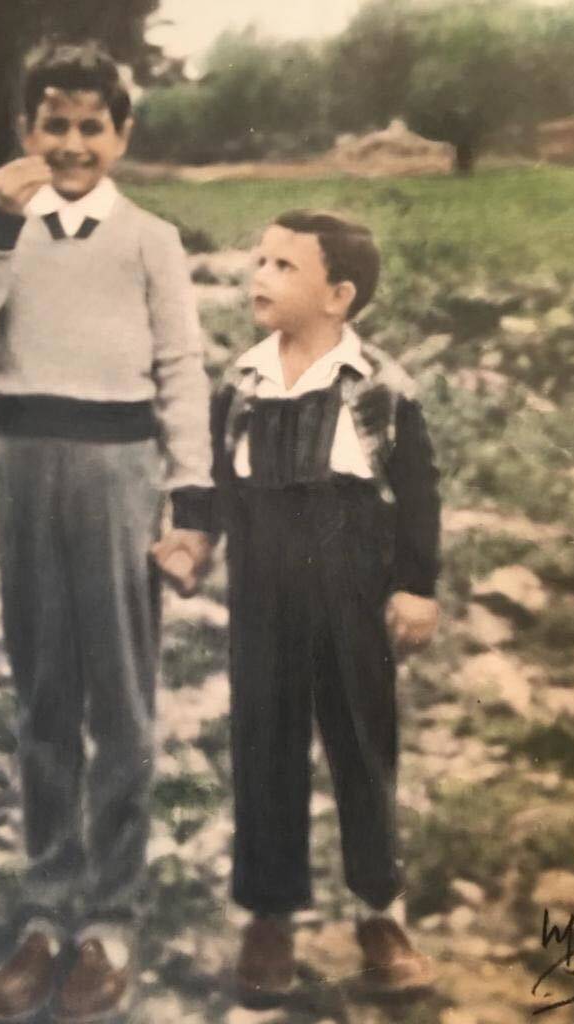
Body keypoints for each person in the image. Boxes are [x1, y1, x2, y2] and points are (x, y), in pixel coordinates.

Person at [0, 41, 213, 1024]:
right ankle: (47, 913)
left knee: (124, 701)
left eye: (91, 126)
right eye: (53, 124)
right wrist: (0, 230)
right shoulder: (4, 231)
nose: (71, 143)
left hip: (120, 472)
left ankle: (113, 922)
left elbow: (182, 367)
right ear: (26, 132)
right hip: (24, 464)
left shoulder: (149, 239)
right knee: (43, 691)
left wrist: (195, 499)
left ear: (122, 135)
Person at [163, 209, 441, 1003]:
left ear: (339, 296)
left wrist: (417, 585)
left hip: (351, 582)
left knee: (362, 741)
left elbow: (419, 494)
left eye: (285, 266)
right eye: (259, 260)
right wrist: (196, 539)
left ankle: (379, 910)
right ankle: (270, 916)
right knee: (265, 744)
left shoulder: (382, 387)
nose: (260, 277)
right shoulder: (240, 384)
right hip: (264, 587)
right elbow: (214, 478)